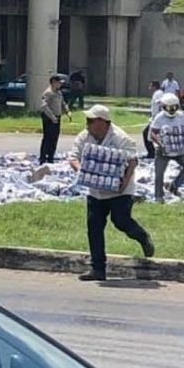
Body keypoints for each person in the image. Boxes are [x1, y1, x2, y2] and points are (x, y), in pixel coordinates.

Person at [69, 105, 155, 281]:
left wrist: (123, 183)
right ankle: (97, 269)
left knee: (120, 221)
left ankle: (142, 237)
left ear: (102, 122)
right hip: (95, 190)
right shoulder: (85, 136)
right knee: (94, 227)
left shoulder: (121, 138)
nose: (88, 124)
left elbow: (132, 161)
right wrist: (83, 171)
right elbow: (73, 157)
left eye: (91, 120)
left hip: (119, 190)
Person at [151, 94, 184, 202]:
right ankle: (159, 197)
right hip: (163, 150)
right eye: (169, 108)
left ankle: (174, 185)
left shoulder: (181, 115)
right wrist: (160, 143)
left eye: (174, 107)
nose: (172, 110)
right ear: (163, 107)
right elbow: (153, 133)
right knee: (159, 173)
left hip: (179, 149)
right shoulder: (159, 117)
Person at [39, 75, 72, 164]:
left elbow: (63, 103)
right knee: (48, 137)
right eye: (58, 83)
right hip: (49, 117)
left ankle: (51, 157)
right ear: (53, 82)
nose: (60, 85)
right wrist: (52, 117)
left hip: (57, 116)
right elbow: (44, 106)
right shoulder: (48, 93)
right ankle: (43, 157)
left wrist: (67, 111)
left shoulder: (59, 93)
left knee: (54, 137)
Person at [142, 81, 165, 159]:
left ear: (154, 86)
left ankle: (152, 153)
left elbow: (161, 104)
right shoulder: (157, 93)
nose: (150, 88)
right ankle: (152, 152)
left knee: (147, 133)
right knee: (148, 134)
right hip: (154, 118)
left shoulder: (158, 93)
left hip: (157, 118)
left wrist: (159, 116)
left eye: (151, 86)